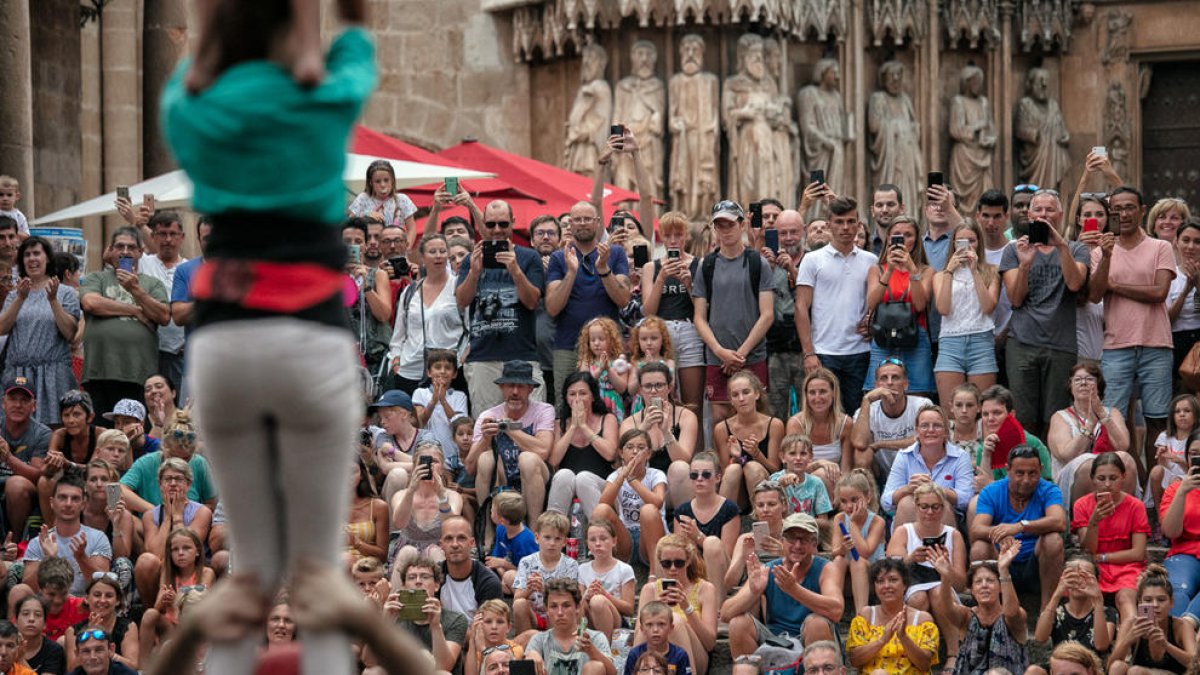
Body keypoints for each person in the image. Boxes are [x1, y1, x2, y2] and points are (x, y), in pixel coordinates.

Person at [160, 2, 376, 673]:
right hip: (312, 338)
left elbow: (191, 70)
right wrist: (334, 25)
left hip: (224, 344)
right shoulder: (326, 98)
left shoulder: (191, 109)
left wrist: (207, 45)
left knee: (250, 575)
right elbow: (356, 37)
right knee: (317, 575)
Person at [1088, 186, 1176, 481]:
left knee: (1156, 420)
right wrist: (1108, 259)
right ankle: (1128, 486)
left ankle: (1156, 491)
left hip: (1156, 343)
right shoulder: (1102, 250)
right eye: (1116, 210)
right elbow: (1095, 293)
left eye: (1128, 208)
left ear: (1142, 210)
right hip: (1116, 345)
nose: (1122, 214)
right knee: (1114, 420)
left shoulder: (1160, 247)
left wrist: (1117, 286)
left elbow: (1159, 292)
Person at [999, 190, 1090, 438]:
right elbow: (1015, 299)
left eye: (1050, 210)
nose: (1043, 215)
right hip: (1023, 342)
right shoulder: (1013, 250)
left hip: (1061, 344)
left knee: (1057, 416)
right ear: (1029, 214)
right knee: (1024, 416)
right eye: (1038, 210)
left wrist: (1061, 246)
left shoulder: (1076, 248)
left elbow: (1074, 284)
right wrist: (1025, 263)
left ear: (1060, 215)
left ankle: (1051, 471)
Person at [456, 199, 547, 415]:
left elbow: (532, 301)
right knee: (487, 426)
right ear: (483, 225)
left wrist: (515, 269)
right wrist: (474, 273)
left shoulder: (529, 257)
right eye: (491, 224)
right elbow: (462, 300)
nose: (497, 230)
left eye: (503, 224)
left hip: (522, 353)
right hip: (483, 357)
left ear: (513, 223)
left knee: (531, 424)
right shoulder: (472, 259)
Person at [692, 200, 774, 424]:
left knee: (756, 417)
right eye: (720, 226)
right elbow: (699, 317)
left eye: (730, 224)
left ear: (741, 224)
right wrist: (720, 351)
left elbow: (767, 314)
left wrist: (740, 354)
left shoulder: (758, 262)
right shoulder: (706, 265)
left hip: (752, 353)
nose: (725, 230)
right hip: (717, 357)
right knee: (720, 419)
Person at [723, 513, 843, 658]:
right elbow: (725, 614)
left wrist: (794, 590)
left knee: (816, 623)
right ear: (782, 541)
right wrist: (753, 593)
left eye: (804, 539)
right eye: (792, 538)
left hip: (812, 640)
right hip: (776, 641)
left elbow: (836, 610)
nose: (797, 545)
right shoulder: (768, 569)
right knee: (738, 624)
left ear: (814, 544)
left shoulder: (826, 568)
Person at [546, 201, 631, 400]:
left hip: (608, 348)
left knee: (610, 404)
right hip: (567, 346)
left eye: (587, 219)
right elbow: (552, 307)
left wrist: (603, 269)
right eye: (577, 219)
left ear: (598, 222)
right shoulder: (559, 258)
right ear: (570, 225)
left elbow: (623, 299)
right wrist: (571, 272)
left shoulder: (615, 253)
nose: (582, 223)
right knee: (566, 407)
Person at [971, 444, 1067, 607]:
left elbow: (1059, 521)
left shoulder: (1049, 490)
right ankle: (991, 612)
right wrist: (1000, 534)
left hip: (1036, 566)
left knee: (1053, 540)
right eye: (1019, 473)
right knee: (979, 547)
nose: (1026, 480)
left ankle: (1048, 611)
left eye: (1032, 473)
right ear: (1007, 470)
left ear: (1041, 469)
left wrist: (1020, 526)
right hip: (1001, 562)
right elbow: (976, 529)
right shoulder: (992, 491)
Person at [0, 237, 79, 424]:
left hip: (53, 374)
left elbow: (70, 333)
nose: (31, 259)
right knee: (15, 428)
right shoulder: (14, 294)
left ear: (47, 259)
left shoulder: (65, 292)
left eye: (37, 253)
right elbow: (2, 328)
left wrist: (52, 300)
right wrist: (20, 298)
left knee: (55, 429)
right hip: (18, 373)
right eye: (26, 255)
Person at [641, 212, 707, 435]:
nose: (673, 241)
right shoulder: (652, 267)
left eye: (678, 235)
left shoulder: (699, 264)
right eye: (668, 236)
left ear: (686, 237)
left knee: (692, 405)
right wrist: (661, 278)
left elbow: (703, 308)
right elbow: (648, 310)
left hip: (690, 329)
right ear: (661, 237)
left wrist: (689, 283)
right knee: (661, 399)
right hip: (661, 331)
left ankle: (695, 456)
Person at [466, 361, 555, 525]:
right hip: (502, 480)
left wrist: (509, 429)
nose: (515, 392)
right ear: (501, 388)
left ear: (530, 389)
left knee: (528, 459)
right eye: (510, 386)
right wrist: (485, 440)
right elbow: (470, 468)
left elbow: (543, 451)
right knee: (485, 459)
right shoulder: (488, 415)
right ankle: (488, 535)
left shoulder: (544, 410)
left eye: (521, 386)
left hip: (533, 478)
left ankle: (533, 533)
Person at [886, 482, 967, 652]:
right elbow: (890, 573)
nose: (930, 512)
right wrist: (910, 559)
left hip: (944, 588)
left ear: (943, 508)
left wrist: (946, 568)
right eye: (924, 507)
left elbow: (960, 584)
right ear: (916, 507)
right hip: (912, 586)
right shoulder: (903, 532)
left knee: (938, 592)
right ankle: (912, 652)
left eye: (935, 507)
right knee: (918, 598)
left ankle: (954, 653)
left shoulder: (954, 535)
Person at [930, 539, 1028, 675]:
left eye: (990, 581)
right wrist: (945, 577)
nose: (984, 585)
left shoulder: (1014, 617)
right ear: (972, 590)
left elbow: (1012, 613)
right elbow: (946, 608)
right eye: (978, 582)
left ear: (1000, 587)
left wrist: (1003, 570)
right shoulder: (966, 616)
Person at [385, 234, 467, 395]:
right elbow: (399, 334)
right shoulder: (410, 291)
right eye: (432, 251)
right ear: (422, 257)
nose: (438, 256)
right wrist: (396, 360)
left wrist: (460, 359)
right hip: (409, 370)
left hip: (448, 370)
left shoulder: (460, 286)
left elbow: (470, 329)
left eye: (443, 251)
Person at [1071, 451, 1148, 620]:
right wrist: (1094, 521)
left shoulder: (1136, 506)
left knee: (1125, 597)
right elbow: (1088, 550)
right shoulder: (1082, 505)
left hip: (1127, 566)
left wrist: (1103, 557)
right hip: (1096, 568)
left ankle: (1131, 637)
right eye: (1101, 478)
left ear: (1123, 477)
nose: (1107, 484)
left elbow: (1138, 553)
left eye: (1113, 478)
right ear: (1092, 479)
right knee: (1087, 597)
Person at [1046, 363, 1136, 507]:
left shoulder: (1112, 413)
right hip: (1072, 478)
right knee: (1088, 462)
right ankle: (1082, 522)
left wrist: (1101, 415)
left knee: (1126, 459)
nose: (1083, 383)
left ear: (1098, 385)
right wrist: (1090, 424)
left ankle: (1122, 515)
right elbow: (1066, 454)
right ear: (1071, 387)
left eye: (1089, 379)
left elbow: (1123, 446)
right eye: (1077, 380)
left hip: (1109, 474)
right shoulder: (1059, 417)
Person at [865, 216, 935, 397]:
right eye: (897, 235)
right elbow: (871, 303)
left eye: (908, 235)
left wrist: (912, 269)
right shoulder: (877, 269)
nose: (902, 239)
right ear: (888, 238)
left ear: (916, 239)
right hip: (883, 335)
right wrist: (889, 269)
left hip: (915, 336)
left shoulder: (926, 271)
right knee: (880, 394)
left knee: (917, 394)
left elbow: (920, 305)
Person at [133, 458, 214, 611]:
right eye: (167, 479)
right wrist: (168, 518)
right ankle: (152, 611)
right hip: (163, 569)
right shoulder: (150, 515)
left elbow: (188, 548)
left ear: (188, 484)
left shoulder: (202, 512)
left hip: (191, 567)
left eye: (178, 479)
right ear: (160, 484)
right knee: (145, 560)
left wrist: (177, 517)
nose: (173, 483)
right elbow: (155, 553)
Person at [934, 221, 1000, 404]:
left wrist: (975, 272)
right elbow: (943, 309)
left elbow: (988, 307)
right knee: (950, 409)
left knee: (982, 406)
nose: (967, 245)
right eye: (961, 241)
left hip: (981, 341)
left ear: (979, 242)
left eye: (971, 240)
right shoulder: (940, 275)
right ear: (953, 244)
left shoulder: (991, 271)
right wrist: (949, 271)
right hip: (950, 342)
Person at [619, 363, 698, 510]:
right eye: (648, 386)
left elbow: (684, 460)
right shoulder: (629, 423)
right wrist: (642, 430)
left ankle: (682, 527)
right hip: (643, 490)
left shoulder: (685, 416)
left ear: (669, 388)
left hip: (674, 489)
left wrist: (666, 431)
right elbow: (627, 464)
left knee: (679, 468)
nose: (653, 391)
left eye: (659, 385)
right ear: (640, 390)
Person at [880, 405, 973, 528]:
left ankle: (940, 546)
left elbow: (966, 499)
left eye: (937, 425)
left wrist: (936, 490)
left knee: (939, 504)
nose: (930, 430)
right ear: (917, 431)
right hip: (910, 516)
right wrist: (908, 489)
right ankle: (904, 546)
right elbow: (886, 501)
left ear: (946, 431)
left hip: (947, 518)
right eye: (924, 426)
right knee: (906, 502)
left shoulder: (960, 456)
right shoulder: (904, 456)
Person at [637, 535, 718, 675]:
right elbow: (639, 637)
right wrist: (656, 610)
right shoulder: (649, 590)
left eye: (679, 563)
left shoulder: (705, 589)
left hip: (694, 656)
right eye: (666, 563)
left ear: (688, 561)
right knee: (652, 623)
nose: (673, 568)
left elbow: (710, 643)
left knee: (675, 621)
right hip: (654, 658)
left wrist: (687, 608)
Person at [846, 558, 940, 674]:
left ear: (905, 585)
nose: (886, 586)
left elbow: (925, 665)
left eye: (893, 580)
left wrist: (904, 637)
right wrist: (882, 640)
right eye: (880, 581)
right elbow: (854, 660)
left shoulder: (922, 619)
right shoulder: (866, 616)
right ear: (875, 587)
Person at [591, 429, 667, 568]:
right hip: (626, 538)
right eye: (630, 447)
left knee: (648, 510)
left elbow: (658, 502)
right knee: (601, 510)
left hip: (651, 534)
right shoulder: (615, 476)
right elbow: (603, 504)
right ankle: (602, 566)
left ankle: (655, 571)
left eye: (641, 448)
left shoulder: (656, 474)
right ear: (621, 453)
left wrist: (632, 479)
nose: (635, 451)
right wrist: (622, 476)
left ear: (649, 454)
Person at [851, 359, 933, 481]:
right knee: (861, 453)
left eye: (895, 377)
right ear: (877, 386)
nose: (889, 383)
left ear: (906, 384)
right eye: (884, 378)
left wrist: (879, 445)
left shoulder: (922, 405)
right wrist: (866, 400)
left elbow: (924, 440)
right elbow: (859, 443)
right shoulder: (866, 409)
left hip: (916, 472)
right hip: (880, 473)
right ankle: (870, 496)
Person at [1029, 556, 1116, 669]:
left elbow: (1101, 645)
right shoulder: (1057, 611)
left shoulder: (1107, 612)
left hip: (1090, 668)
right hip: (1061, 667)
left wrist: (1098, 601)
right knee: (1034, 670)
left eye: (1085, 575)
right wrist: (1057, 594)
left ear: (1096, 580)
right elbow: (1040, 637)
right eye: (1073, 575)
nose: (1078, 580)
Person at [1107, 565, 1197, 675]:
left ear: (1171, 602)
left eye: (1161, 600)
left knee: (1135, 671)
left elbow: (1196, 664)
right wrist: (1128, 639)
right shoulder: (1131, 624)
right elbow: (1110, 666)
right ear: (1140, 602)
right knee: (1117, 667)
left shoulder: (1182, 625)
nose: (1155, 605)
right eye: (1148, 600)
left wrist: (1166, 645)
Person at [135, 212, 189, 393]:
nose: (168, 240)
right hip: (148, 352)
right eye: (162, 234)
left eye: (173, 234)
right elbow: (114, 258)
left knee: (179, 413)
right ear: (152, 237)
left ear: (182, 237)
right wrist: (135, 222)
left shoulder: (190, 269)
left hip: (180, 354)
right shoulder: (142, 263)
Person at [713, 370, 784, 507]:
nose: (741, 398)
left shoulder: (775, 425)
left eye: (746, 392)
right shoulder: (721, 429)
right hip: (738, 493)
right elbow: (724, 474)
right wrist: (737, 459)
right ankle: (722, 521)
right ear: (731, 401)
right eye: (735, 395)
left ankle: (761, 520)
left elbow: (776, 470)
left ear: (757, 394)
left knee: (753, 467)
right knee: (733, 469)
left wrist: (757, 454)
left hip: (767, 490)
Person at [674, 451, 740, 598]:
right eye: (694, 475)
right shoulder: (682, 511)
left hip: (722, 573)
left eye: (706, 475)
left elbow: (724, 555)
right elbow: (679, 554)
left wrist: (698, 536)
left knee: (712, 543)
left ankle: (715, 607)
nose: (699, 479)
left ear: (717, 478)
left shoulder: (729, 509)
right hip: (693, 570)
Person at [390, 442, 462, 571]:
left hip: (439, 551)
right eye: (423, 462)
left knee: (434, 552)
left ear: (442, 468)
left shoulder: (453, 496)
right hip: (407, 553)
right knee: (408, 552)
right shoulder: (401, 495)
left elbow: (453, 528)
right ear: (414, 467)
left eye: (435, 461)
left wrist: (441, 494)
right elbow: (399, 523)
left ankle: (439, 591)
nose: (429, 466)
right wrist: (411, 490)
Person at [389, 556, 468, 674]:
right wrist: (385, 620)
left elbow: (444, 666)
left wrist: (436, 626)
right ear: (404, 586)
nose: (418, 581)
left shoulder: (456, 619)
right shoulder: (395, 616)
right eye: (411, 577)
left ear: (436, 585)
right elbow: (370, 661)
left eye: (425, 577)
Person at [525, 577, 616, 675]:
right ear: (547, 610)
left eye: (566, 605)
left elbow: (613, 673)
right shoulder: (539, 639)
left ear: (577, 607)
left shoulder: (595, 638)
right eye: (554, 606)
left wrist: (592, 651)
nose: (560, 612)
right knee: (530, 662)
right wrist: (531, 655)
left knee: (596, 666)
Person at [0, 376, 52, 537]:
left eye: (24, 400)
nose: (17, 405)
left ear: (34, 406)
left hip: (25, 489)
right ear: (3, 403)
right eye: (13, 399)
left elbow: (38, 476)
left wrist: (8, 457)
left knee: (16, 485)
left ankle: (14, 543)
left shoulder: (42, 433)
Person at [512, 511, 580, 634]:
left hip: (558, 614)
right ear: (537, 538)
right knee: (519, 604)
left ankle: (555, 643)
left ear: (565, 542)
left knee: (562, 608)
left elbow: (571, 600)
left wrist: (544, 590)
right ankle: (526, 645)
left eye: (557, 539)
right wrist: (529, 589)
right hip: (534, 615)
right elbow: (516, 598)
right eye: (547, 537)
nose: (552, 543)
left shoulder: (571, 565)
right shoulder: (526, 562)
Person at [63, 574, 139, 672]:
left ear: (117, 601)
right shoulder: (72, 631)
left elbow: (133, 667)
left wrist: (109, 653)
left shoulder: (128, 627)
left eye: (109, 596)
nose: (102, 600)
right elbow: (72, 669)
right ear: (86, 598)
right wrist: (88, 633)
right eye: (97, 595)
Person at [1161, 439, 1200, 623]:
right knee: (1178, 589)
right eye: (1193, 453)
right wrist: (1182, 493)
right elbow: (1170, 532)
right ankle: (1174, 632)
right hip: (1184, 552)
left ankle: (1188, 623)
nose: (1197, 458)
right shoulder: (1175, 489)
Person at [580, 519, 636, 641]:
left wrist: (604, 595)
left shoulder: (624, 569)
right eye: (593, 540)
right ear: (587, 544)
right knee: (590, 601)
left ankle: (605, 648)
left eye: (603, 538)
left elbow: (629, 609)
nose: (598, 543)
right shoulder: (582, 569)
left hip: (617, 622)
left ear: (614, 541)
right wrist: (586, 595)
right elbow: (578, 608)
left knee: (598, 601)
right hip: (589, 620)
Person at [348, 159, 418, 244]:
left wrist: (407, 247)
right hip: (371, 249)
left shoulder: (402, 200)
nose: (382, 185)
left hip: (395, 249)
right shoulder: (363, 198)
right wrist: (366, 214)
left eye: (386, 180)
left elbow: (411, 228)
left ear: (392, 180)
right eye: (377, 181)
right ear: (371, 183)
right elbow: (350, 223)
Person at [1167, 220, 1200, 387]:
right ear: (1176, 242)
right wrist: (1187, 289)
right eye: (1186, 240)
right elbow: (1166, 321)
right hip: (1176, 343)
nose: (1191, 246)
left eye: (1197, 242)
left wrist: (1198, 286)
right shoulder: (1169, 275)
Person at [343, 457, 388, 569]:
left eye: (352, 471)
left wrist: (357, 543)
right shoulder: (326, 509)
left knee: (347, 560)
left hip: (367, 568)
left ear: (362, 475)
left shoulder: (378, 506)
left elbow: (383, 556)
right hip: (336, 566)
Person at [624, 602, 693, 675]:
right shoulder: (635, 654)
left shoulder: (680, 655)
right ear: (642, 629)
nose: (655, 630)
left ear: (671, 628)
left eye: (661, 624)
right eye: (649, 625)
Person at [12, 595, 65, 674]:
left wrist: (20, 659)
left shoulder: (53, 650)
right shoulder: (4, 645)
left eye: (38, 615)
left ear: (45, 624)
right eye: (26, 614)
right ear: (15, 621)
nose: (31, 619)